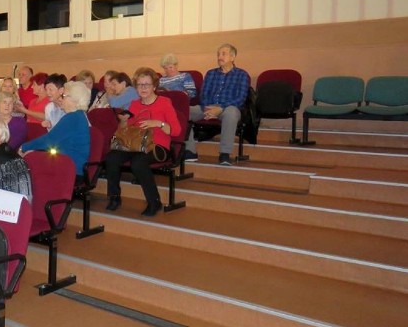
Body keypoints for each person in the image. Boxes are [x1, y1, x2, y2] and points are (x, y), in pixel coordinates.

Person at [104, 67, 181, 216]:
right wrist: (124, 122)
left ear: (154, 86)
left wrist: (158, 123)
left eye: (147, 84)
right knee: (111, 157)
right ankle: (114, 197)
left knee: (138, 163)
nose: (143, 88)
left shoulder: (165, 102)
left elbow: (176, 131)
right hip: (136, 145)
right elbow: (127, 130)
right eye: (140, 85)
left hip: (158, 146)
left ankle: (154, 201)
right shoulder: (134, 104)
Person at [185, 43, 249, 165]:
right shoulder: (211, 73)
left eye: (223, 54)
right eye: (218, 54)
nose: (220, 57)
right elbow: (203, 95)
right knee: (184, 111)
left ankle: (224, 154)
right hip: (207, 107)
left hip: (229, 108)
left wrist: (220, 108)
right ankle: (190, 151)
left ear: (232, 57)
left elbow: (240, 98)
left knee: (231, 113)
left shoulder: (242, 75)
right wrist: (209, 109)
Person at [19, 81, 91, 174]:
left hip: (71, 168)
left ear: (73, 100)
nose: (61, 99)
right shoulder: (77, 115)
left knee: (29, 163)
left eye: (63, 96)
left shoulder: (73, 118)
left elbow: (49, 140)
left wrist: (23, 147)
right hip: (66, 162)